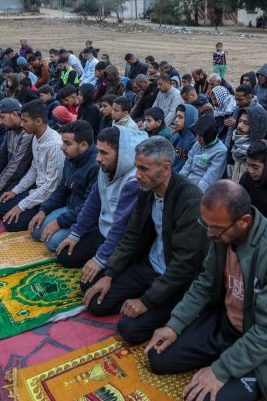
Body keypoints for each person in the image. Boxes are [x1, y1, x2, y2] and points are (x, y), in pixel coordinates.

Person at [145, 180, 267, 401]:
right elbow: (204, 284)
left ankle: (249, 373)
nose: (209, 234)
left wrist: (220, 371)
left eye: (216, 228)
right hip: (227, 326)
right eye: (206, 225)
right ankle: (227, 356)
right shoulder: (222, 235)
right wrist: (174, 325)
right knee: (158, 357)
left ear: (243, 221)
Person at [82, 136, 209, 344]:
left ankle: (180, 316)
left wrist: (146, 301)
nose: (137, 175)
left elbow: (184, 263)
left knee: (128, 329)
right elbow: (131, 235)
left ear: (166, 169)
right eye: (136, 167)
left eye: (144, 169)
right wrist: (110, 273)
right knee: (94, 297)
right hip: (149, 267)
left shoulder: (190, 199)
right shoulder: (147, 188)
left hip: (174, 278)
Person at [56, 126, 144, 270]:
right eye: (98, 151)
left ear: (122, 154)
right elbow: (92, 204)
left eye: (104, 153)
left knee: (90, 286)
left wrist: (101, 259)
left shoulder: (134, 181)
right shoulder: (105, 169)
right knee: (65, 256)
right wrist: (75, 234)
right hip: (103, 232)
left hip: (121, 241)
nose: (98, 158)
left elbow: (121, 225)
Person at [27, 121, 99, 253]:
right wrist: (44, 210)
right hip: (70, 208)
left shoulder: (95, 167)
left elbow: (89, 206)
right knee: (36, 231)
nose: (62, 147)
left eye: (67, 143)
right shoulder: (71, 158)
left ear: (83, 145)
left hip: (85, 215)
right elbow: (62, 189)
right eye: (62, 142)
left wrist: (59, 222)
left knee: (51, 242)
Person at [0, 100, 65, 232]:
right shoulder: (36, 137)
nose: (22, 124)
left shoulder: (55, 145)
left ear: (38, 121)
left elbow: (51, 187)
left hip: (49, 197)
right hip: (37, 190)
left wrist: (22, 206)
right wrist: (15, 191)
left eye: (25, 121)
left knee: (10, 223)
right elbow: (34, 170)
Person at [179, 115, 227, 192]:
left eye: (201, 135)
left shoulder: (220, 151)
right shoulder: (197, 144)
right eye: (197, 134)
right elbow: (187, 166)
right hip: (187, 183)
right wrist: (179, 183)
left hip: (201, 191)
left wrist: (194, 194)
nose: (198, 138)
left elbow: (209, 179)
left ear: (209, 135)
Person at [170, 104, 198, 173]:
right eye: (176, 116)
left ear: (189, 119)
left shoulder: (195, 141)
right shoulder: (175, 136)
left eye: (180, 117)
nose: (176, 120)